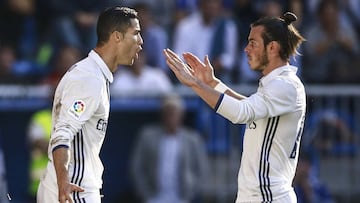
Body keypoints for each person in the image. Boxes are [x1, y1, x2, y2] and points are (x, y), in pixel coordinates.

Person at [164, 12, 306, 203]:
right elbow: (247, 107)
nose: (246, 49)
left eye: (253, 43)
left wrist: (195, 85)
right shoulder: (278, 84)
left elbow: (241, 113)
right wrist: (212, 83)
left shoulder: (285, 85)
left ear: (272, 48)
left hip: (269, 197)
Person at [36, 6, 143, 203]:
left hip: (72, 187)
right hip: (74, 189)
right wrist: (64, 182)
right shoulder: (89, 79)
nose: (141, 42)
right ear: (117, 37)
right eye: (136, 34)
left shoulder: (94, 74)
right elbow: (62, 133)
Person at [130, 93, 209, 203]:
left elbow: (202, 169)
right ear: (162, 114)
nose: (171, 116)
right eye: (168, 112)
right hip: (154, 198)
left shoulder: (193, 139)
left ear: (181, 114)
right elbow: (137, 166)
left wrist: (190, 193)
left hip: (182, 198)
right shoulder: (147, 136)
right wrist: (146, 195)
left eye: (174, 112)